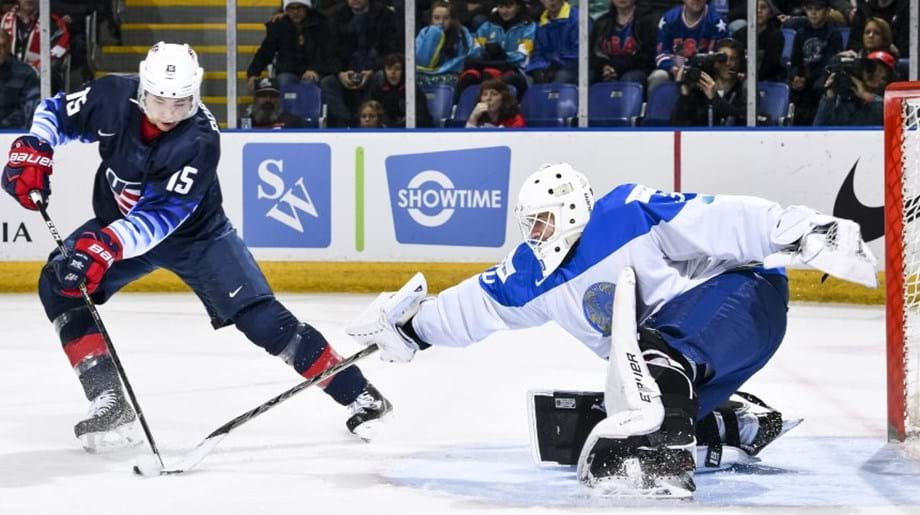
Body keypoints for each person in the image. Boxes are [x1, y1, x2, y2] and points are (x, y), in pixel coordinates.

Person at [347, 163, 877, 496]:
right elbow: (475, 304)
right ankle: (733, 425)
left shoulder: (623, 213)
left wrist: (797, 227)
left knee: (655, 365)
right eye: (529, 225)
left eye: (544, 222)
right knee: (612, 411)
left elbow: (718, 217)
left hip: (744, 299)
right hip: (687, 352)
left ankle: (662, 468)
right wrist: (413, 329)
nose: (535, 234)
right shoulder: (533, 273)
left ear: (572, 208)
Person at [0, 42, 392, 453]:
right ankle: (110, 402)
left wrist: (107, 244)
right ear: (142, 89)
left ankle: (359, 393)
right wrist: (38, 145)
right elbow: (55, 110)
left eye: (181, 102)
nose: (169, 113)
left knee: (264, 322)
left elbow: (160, 219)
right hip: (117, 228)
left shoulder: (200, 139)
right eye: (159, 101)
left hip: (197, 239)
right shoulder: (113, 95)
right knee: (59, 283)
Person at [322, 0, 401, 127]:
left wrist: (372, 70)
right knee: (327, 82)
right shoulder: (335, 16)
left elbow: (390, 51)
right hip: (346, 72)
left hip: (373, 70)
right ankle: (347, 124)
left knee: (381, 77)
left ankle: (365, 119)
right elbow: (330, 53)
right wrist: (340, 73)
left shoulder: (385, 15)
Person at [246, 0, 332, 93]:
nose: (295, 12)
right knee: (284, 82)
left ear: (306, 8)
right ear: (286, 10)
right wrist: (253, 74)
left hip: (314, 70)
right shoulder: (279, 26)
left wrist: (315, 70)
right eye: (291, 8)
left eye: (299, 8)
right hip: (288, 71)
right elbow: (265, 52)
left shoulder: (320, 25)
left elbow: (326, 52)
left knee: (309, 83)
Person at [456, 0, 534, 102]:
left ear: (518, 7)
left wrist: (503, 55)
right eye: (501, 7)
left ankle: (487, 111)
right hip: (487, 64)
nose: (504, 11)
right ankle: (457, 110)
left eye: (509, 6)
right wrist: (484, 54)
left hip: (515, 69)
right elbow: (474, 49)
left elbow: (522, 56)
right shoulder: (488, 25)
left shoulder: (528, 27)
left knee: (489, 76)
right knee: (469, 76)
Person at [648, 0, 728, 94]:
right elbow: (661, 54)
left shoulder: (717, 22)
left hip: (707, 74)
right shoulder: (669, 19)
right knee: (658, 76)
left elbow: (721, 58)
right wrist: (673, 68)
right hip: (675, 69)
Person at [788, 0, 843, 125]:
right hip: (804, 87)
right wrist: (796, 76)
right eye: (809, 8)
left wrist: (812, 80)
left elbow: (830, 63)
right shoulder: (801, 34)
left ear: (827, 11)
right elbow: (795, 60)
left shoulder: (833, 34)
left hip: (820, 85)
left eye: (818, 9)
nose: (813, 13)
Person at [671, 38, 745, 126]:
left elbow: (742, 117)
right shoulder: (700, 88)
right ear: (714, 61)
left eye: (733, 59)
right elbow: (677, 125)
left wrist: (714, 98)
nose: (727, 63)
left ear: (740, 62)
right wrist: (684, 95)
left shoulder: (745, 89)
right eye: (722, 59)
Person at [1, 0, 69, 93]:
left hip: (40, 74)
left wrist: (38, 65)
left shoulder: (54, 22)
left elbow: (60, 48)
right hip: (8, 73)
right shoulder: (3, 20)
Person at [813, 50, 895, 126]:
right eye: (871, 67)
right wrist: (829, 97)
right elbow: (817, 131)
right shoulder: (840, 99)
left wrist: (866, 96)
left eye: (880, 70)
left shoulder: (887, 103)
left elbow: (890, 123)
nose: (873, 74)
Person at [588, 0, 657, 87]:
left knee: (629, 79)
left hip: (638, 69)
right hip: (606, 69)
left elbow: (649, 56)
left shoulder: (647, 21)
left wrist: (617, 68)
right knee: (588, 77)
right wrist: (603, 67)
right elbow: (593, 53)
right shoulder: (601, 22)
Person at [416, 0, 475, 89]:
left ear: (452, 19)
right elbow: (420, 59)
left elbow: (469, 53)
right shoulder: (425, 32)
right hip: (425, 73)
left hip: (451, 73)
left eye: (446, 18)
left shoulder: (461, 32)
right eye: (436, 18)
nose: (441, 22)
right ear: (431, 19)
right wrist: (433, 36)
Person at [367, 52, 435, 127]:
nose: (392, 72)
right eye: (389, 69)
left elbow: (425, 120)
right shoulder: (377, 91)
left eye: (397, 69)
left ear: (404, 71)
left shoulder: (414, 91)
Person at [525, 0, 585, 84]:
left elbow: (580, 53)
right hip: (548, 66)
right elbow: (537, 52)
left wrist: (555, 66)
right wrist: (538, 68)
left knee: (558, 81)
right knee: (529, 79)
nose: (551, 1)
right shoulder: (542, 24)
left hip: (573, 68)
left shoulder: (578, 20)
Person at [732, 0, 786, 82]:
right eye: (755, 7)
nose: (758, 11)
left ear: (770, 12)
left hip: (767, 81)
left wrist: (749, 77)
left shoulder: (776, 36)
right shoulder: (738, 35)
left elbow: (770, 67)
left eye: (763, 7)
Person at [0, 29, 40, 129]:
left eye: (2, 46)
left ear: (9, 48)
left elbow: (29, 111)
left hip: (11, 134)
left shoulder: (25, 73)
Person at [241, 77, 311, 129]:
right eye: (263, 95)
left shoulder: (292, 122)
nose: (268, 99)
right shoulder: (246, 123)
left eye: (273, 95)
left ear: (279, 98)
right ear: (255, 99)